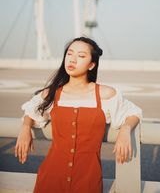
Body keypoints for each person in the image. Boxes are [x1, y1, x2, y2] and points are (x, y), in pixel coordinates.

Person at [15, 36, 142, 193]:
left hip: (88, 180)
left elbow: (133, 112)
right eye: (70, 54)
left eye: (81, 56)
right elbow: (32, 110)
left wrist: (125, 129)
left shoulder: (105, 94)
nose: (73, 60)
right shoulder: (52, 93)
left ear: (91, 65)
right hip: (50, 178)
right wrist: (25, 128)